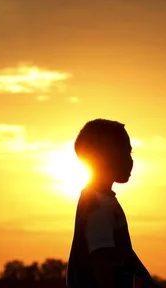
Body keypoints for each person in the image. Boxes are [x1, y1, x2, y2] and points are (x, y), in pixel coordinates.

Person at [67, 119, 159, 288]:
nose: (131, 161)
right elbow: (100, 260)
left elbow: (126, 253)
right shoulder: (99, 206)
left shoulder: (97, 200)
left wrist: (149, 282)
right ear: (106, 158)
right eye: (126, 153)